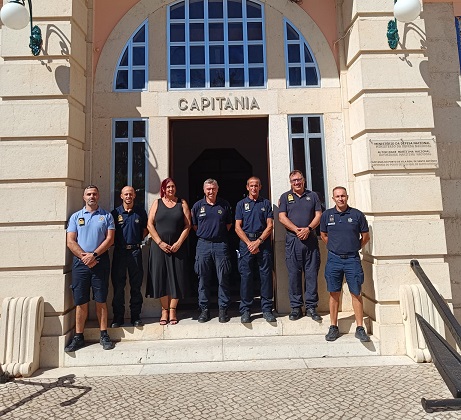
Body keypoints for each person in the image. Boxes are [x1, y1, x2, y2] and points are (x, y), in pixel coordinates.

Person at [65, 185, 115, 352]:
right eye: (88, 194)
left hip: (100, 262)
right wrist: (85, 257)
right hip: (80, 264)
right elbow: (70, 241)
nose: (91, 196)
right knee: (81, 301)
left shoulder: (106, 216)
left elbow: (110, 239)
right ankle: (79, 336)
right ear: (84, 197)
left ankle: (104, 335)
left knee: (101, 299)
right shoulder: (75, 217)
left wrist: (93, 255)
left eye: (94, 194)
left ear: (98, 196)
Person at [320, 186, 370, 342]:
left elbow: (365, 236)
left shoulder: (357, 215)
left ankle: (360, 328)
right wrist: (334, 247)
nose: (340, 198)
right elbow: (323, 235)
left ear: (347, 197)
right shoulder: (327, 215)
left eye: (343, 196)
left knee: (356, 293)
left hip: (352, 259)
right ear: (333, 198)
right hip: (334, 259)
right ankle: (333, 327)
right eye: (337, 196)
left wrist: (354, 247)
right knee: (334, 293)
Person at [278, 170, 322, 322]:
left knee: (311, 274)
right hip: (293, 240)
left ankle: (311, 307)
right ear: (290, 183)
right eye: (293, 181)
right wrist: (297, 230)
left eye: (298, 179)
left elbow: (318, 215)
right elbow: (281, 217)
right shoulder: (285, 197)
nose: (296, 183)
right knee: (294, 275)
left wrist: (308, 229)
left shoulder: (313, 196)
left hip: (310, 239)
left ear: (303, 180)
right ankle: (296, 308)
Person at [146, 178, 191, 325]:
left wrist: (179, 243)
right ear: (163, 189)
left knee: (177, 277)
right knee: (161, 278)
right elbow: (150, 224)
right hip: (159, 248)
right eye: (168, 187)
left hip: (177, 247)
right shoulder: (157, 203)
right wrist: (159, 242)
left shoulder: (181, 203)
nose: (171, 189)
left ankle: (172, 310)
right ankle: (164, 310)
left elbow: (187, 225)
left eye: (173, 186)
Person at [235, 177, 275, 323]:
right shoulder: (241, 204)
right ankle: (246, 310)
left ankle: (267, 309)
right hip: (246, 244)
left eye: (256, 185)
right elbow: (237, 227)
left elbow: (270, 225)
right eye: (251, 185)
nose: (254, 188)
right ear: (247, 187)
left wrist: (258, 242)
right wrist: (249, 243)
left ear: (260, 187)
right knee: (246, 277)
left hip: (262, 243)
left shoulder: (266, 203)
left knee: (265, 277)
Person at [191, 178, 232, 323]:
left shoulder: (224, 205)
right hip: (203, 245)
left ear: (217, 189)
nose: (211, 191)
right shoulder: (197, 206)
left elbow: (228, 224)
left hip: (220, 244)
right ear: (204, 190)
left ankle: (223, 310)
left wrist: (217, 234)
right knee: (203, 278)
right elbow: (194, 226)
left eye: (213, 188)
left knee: (223, 278)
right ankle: (204, 310)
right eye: (208, 189)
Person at [110, 186, 148, 328]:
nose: (128, 196)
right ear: (121, 196)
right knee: (118, 286)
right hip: (119, 252)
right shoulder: (115, 213)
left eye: (130, 194)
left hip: (135, 252)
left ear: (134, 196)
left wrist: (137, 240)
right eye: (126, 194)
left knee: (136, 286)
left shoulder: (140, 212)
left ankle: (135, 316)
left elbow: (146, 229)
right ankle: (118, 317)